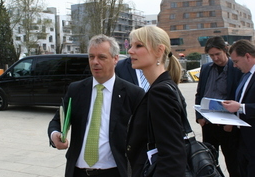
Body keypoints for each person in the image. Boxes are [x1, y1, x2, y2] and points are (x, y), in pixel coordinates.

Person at [47, 34, 145, 177]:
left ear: (115, 59)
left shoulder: (133, 94)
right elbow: (57, 121)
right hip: (78, 171)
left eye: (102, 57)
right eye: (91, 57)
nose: (95, 62)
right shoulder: (76, 90)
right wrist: (55, 134)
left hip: (115, 172)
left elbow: (143, 137)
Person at [126, 25, 187, 176]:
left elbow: (172, 155)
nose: (130, 51)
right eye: (131, 45)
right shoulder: (163, 87)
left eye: (138, 45)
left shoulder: (161, 92)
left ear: (159, 50)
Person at [195, 36, 242, 177]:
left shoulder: (236, 69)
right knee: (209, 160)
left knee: (233, 161)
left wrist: (231, 121)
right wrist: (199, 117)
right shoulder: (206, 68)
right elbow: (200, 93)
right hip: (208, 123)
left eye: (217, 54)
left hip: (228, 124)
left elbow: (239, 97)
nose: (215, 58)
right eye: (211, 55)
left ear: (225, 50)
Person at [222, 39, 255, 177]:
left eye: (236, 61)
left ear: (247, 56)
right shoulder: (245, 75)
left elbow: (243, 105)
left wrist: (241, 107)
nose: (234, 66)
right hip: (243, 139)